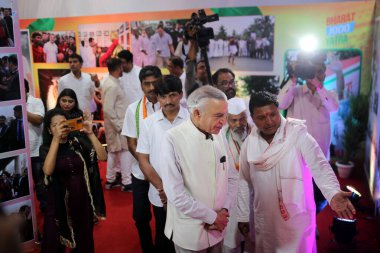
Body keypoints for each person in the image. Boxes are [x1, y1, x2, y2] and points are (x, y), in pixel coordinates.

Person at [236, 91, 356, 253]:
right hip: (265, 221)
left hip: (297, 220)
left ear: (279, 110)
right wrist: (243, 215)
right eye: (261, 117)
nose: (269, 121)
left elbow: (320, 166)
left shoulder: (298, 135)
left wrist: (333, 193)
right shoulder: (249, 144)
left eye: (273, 114)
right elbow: (243, 180)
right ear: (252, 117)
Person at [161, 85, 238, 252]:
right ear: (196, 113)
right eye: (218, 116)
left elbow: (232, 177)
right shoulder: (173, 139)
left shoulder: (219, 135)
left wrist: (224, 210)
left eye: (225, 115)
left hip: (218, 228)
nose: (223, 121)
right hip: (191, 232)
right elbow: (176, 195)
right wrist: (212, 217)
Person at [278, 60, 340, 217]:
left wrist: (318, 86)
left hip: (320, 154)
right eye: (312, 70)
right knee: (297, 192)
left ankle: (313, 220)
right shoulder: (295, 91)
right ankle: (298, 221)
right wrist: (292, 78)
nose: (315, 74)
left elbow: (333, 107)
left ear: (325, 75)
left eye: (319, 71)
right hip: (296, 153)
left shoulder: (329, 93)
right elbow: (281, 104)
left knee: (319, 195)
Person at [40, 108, 107, 253]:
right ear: (49, 130)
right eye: (55, 125)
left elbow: (103, 157)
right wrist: (56, 140)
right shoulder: (46, 148)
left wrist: (90, 133)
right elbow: (47, 171)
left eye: (63, 123)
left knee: (83, 243)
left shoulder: (77, 141)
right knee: (53, 244)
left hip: (81, 202)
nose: (60, 127)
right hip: (58, 205)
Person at [136, 75, 188, 252]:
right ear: (157, 98)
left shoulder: (193, 120)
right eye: (163, 96)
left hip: (189, 191)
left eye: (172, 95)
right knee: (164, 235)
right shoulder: (148, 123)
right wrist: (162, 188)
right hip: (160, 194)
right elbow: (143, 159)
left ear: (180, 95)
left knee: (188, 237)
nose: (168, 101)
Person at [122, 65, 162, 253]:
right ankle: (148, 248)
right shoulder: (133, 109)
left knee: (163, 215)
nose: (152, 88)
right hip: (140, 174)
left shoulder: (169, 106)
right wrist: (147, 168)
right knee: (140, 216)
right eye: (147, 84)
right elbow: (131, 144)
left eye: (155, 83)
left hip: (164, 174)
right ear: (141, 85)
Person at [55, 88, 107, 218]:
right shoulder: (53, 115)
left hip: (83, 154)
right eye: (64, 100)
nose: (67, 104)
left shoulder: (79, 115)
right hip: (61, 155)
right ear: (59, 100)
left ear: (75, 102)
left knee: (86, 185)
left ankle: (90, 212)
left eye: (70, 101)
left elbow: (86, 136)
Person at [222, 97, 253, 253]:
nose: (238, 124)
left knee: (253, 238)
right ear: (227, 119)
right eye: (233, 120)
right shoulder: (220, 137)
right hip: (232, 195)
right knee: (231, 238)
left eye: (242, 119)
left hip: (254, 194)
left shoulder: (255, 134)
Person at [102, 58, 132, 192]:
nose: (123, 70)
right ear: (118, 68)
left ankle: (111, 179)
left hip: (116, 124)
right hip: (117, 125)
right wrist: (119, 126)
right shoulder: (112, 85)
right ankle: (127, 182)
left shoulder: (113, 82)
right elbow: (108, 109)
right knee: (125, 151)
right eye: (121, 67)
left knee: (114, 152)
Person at [25, 79, 46, 212]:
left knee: (40, 183)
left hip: (35, 151)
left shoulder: (36, 101)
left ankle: (46, 209)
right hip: (20, 152)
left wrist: (22, 107)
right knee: (25, 185)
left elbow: (38, 120)